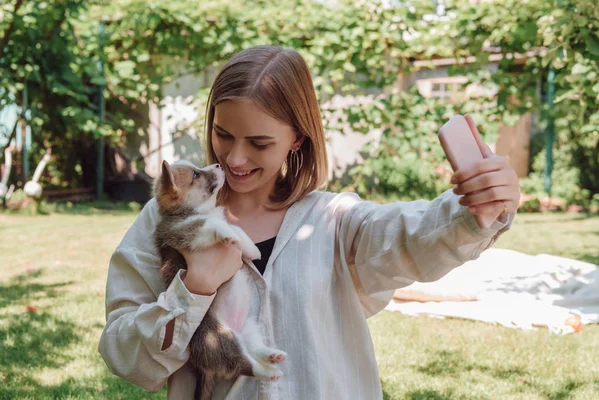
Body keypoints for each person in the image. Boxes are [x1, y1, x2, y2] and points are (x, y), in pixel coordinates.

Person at [98, 45, 520, 399]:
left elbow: (410, 236)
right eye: (223, 134)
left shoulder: (332, 220)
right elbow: (126, 355)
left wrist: (475, 212)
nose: (234, 158)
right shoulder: (166, 219)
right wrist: (194, 288)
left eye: (260, 143)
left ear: (297, 139)